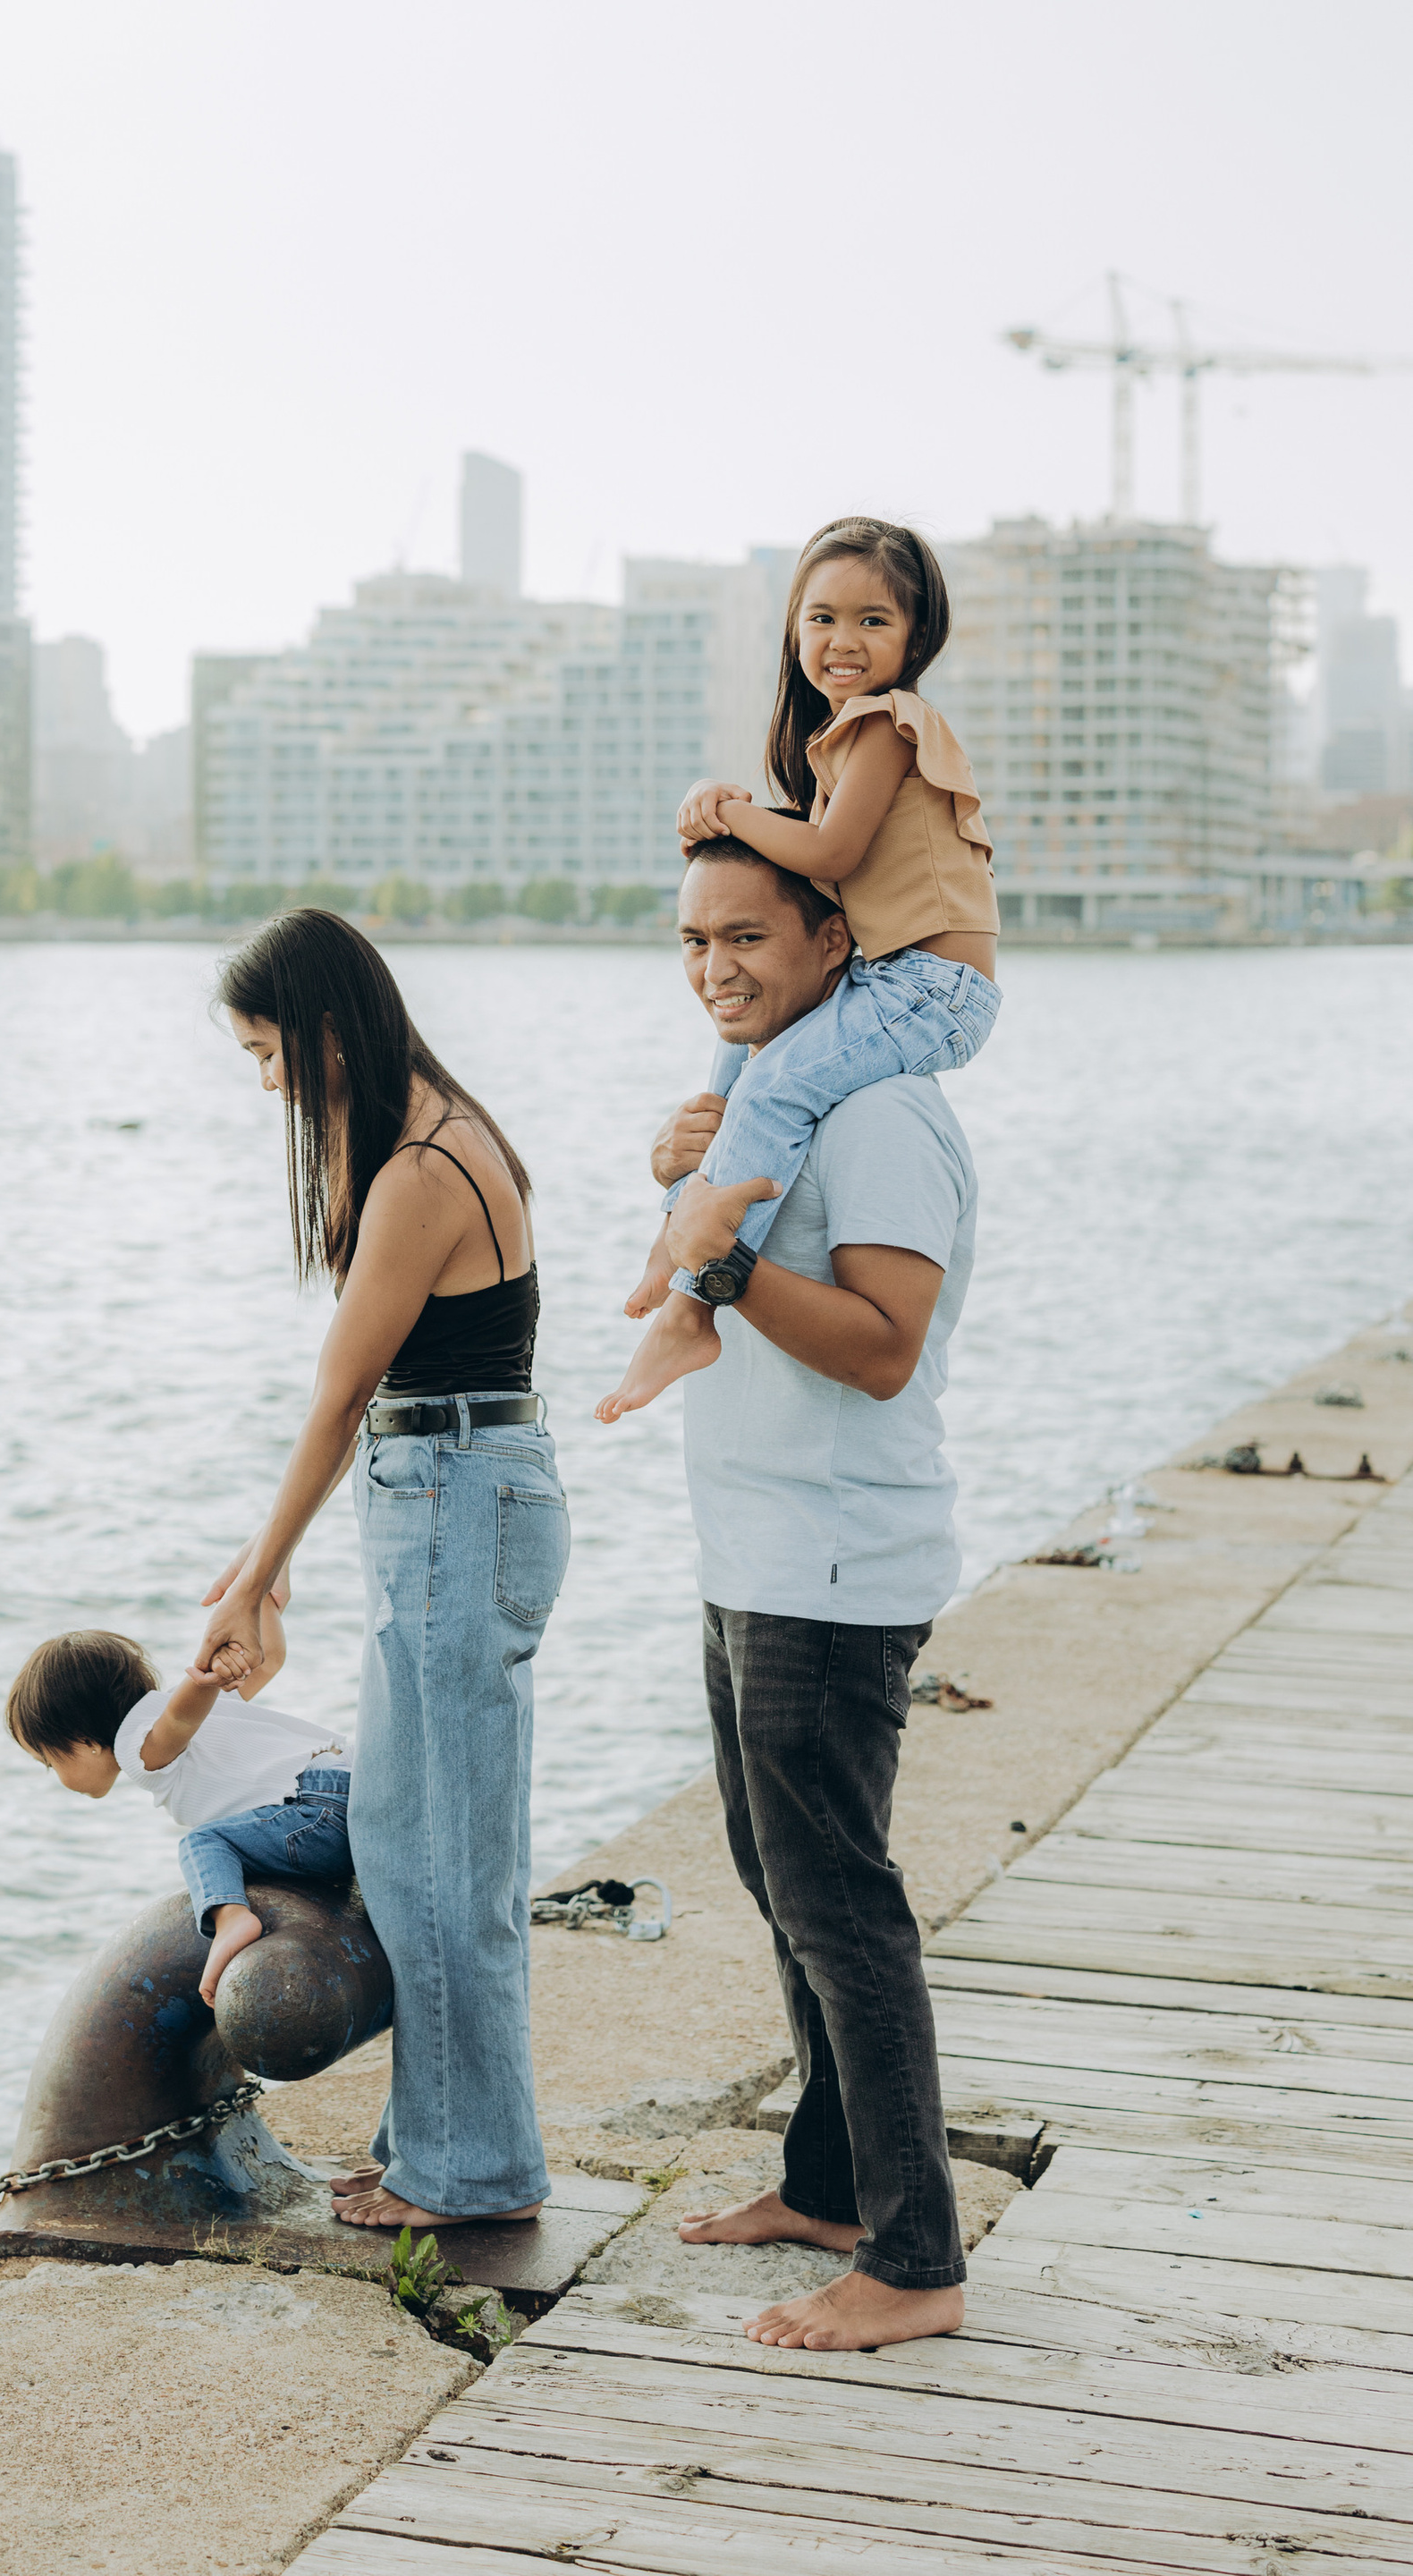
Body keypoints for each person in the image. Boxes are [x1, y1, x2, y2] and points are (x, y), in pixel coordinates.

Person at [641, 834, 978, 2348]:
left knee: (844, 1910)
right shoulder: (773, 1103)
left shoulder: (886, 1111)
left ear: (837, 940)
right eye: (695, 942)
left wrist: (717, 1263)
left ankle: (914, 2263)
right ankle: (831, 2186)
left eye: (747, 937)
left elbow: (883, 1341)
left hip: (835, 1569)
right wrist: (699, 1198)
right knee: (786, 1889)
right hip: (758, 1553)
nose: (717, 966)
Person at [193, 907, 567, 2234]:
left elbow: (341, 1394)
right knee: (413, 1842)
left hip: (453, 1498)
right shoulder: (439, 1127)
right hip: (454, 1490)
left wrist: (260, 1577)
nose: (267, 1080)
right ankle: (437, 2145)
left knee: (440, 1859)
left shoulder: (421, 1168)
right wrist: (266, 1561)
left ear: (323, 1024)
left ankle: (471, 2172)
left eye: (266, 1049)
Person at [598, 516, 998, 1425]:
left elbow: (828, 851)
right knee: (733, 1067)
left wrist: (731, 813)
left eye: (872, 622)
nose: (842, 643)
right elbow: (812, 852)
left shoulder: (890, 726)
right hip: (887, 981)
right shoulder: (837, 741)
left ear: (915, 637)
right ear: (793, 632)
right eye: (821, 620)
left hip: (931, 991)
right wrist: (728, 805)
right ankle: (677, 1226)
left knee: (773, 1081)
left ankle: (694, 1299)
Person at [4, 1624, 351, 2006]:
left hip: (318, 1814)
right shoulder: (210, 1709)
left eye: (49, 1762)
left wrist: (206, 1675)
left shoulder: (140, 1751)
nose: (55, 1775)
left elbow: (179, 1720)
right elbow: (267, 1660)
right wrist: (263, 1598)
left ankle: (231, 1917)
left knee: (202, 1842)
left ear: (84, 1742)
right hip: (354, 1790)